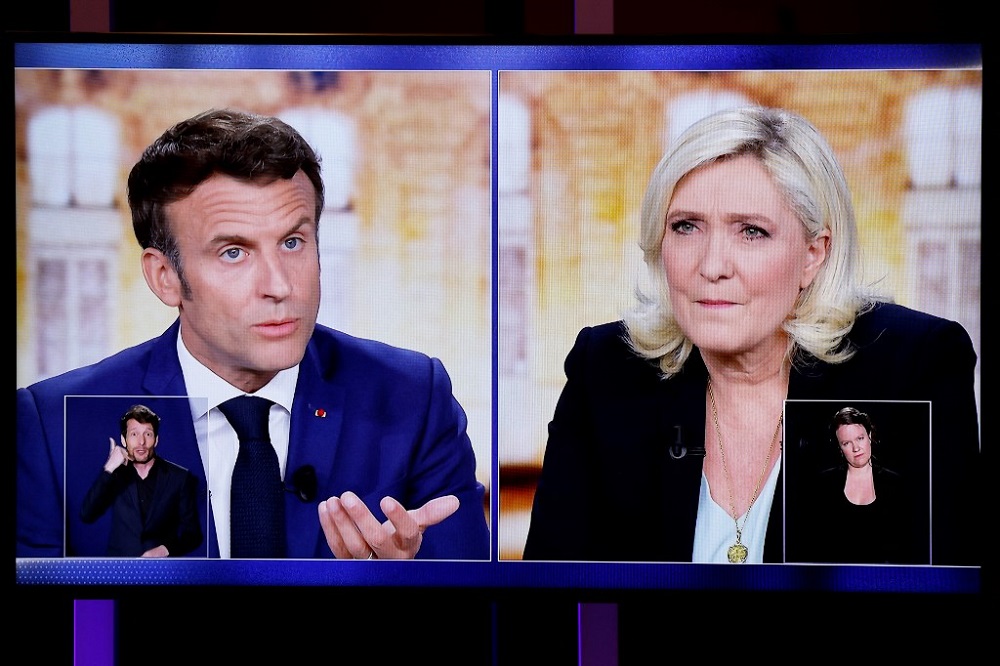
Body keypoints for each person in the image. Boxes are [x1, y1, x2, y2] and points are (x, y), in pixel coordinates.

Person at [17, 108, 490, 560]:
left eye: (293, 242)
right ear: (165, 277)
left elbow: (476, 610)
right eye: (234, 253)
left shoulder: (414, 398)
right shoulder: (54, 426)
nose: (280, 286)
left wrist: (401, 587)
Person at [522, 106, 980, 565]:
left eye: (751, 232)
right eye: (686, 226)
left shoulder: (914, 366)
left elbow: (943, 588)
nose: (712, 266)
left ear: (813, 254)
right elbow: (549, 589)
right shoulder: (605, 368)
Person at [790, 406, 924, 564]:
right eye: (846, 443)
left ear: (869, 436)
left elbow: (909, 546)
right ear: (840, 448)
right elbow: (812, 548)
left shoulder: (896, 484)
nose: (856, 448)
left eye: (860, 438)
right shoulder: (823, 485)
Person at [80, 404, 203, 557]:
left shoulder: (180, 477)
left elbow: (193, 535)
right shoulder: (114, 475)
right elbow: (87, 514)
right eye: (134, 434)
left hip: (163, 569)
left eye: (148, 434)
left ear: (156, 440)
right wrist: (109, 467)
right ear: (124, 440)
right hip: (121, 568)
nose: (141, 442)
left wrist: (164, 550)